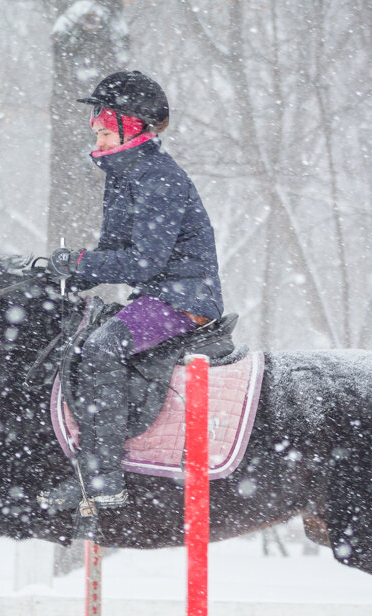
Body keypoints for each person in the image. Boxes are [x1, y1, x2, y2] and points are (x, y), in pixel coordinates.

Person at [39, 70, 224, 513]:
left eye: (104, 131)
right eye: (97, 131)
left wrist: (82, 262)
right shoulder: (124, 176)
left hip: (184, 299)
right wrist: (57, 276)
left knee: (103, 346)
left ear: (132, 125)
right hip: (156, 295)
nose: (97, 140)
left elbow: (144, 262)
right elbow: (114, 253)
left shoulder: (159, 178)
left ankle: (101, 479)